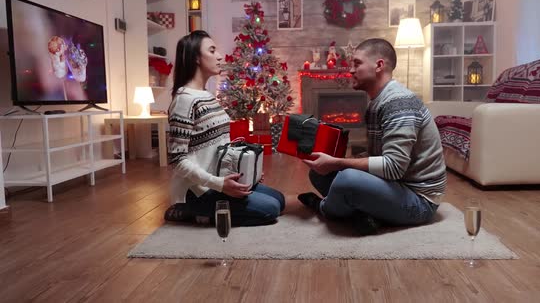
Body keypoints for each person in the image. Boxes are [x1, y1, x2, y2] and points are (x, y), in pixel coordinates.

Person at [297, 38, 446, 235]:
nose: (350, 70)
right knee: (318, 173)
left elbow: (393, 168)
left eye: (357, 63)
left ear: (379, 65)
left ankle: (324, 208)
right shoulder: (376, 103)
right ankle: (363, 213)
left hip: (419, 201)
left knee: (346, 179)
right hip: (396, 186)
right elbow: (379, 157)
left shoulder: (398, 103)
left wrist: (338, 163)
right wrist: (332, 161)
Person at [164, 30, 285, 226]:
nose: (219, 56)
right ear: (196, 58)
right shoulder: (184, 100)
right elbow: (177, 160)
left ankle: (209, 210)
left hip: (219, 182)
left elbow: (221, 147)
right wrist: (219, 184)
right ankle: (188, 209)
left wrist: (247, 171)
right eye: (212, 50)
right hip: (198, 190)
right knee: (270, 209)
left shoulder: (208, 96)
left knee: (279, 200)